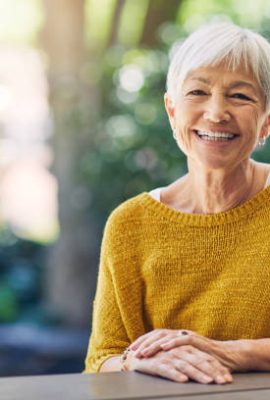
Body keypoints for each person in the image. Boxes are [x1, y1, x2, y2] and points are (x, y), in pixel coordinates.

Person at [84, 22, 270, 385]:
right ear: (172, 111)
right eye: (198, 92)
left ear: (266, 122)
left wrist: (223, 351)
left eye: (240, 96)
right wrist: (134, 362)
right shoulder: (130, 223)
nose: (216, 113)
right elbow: (101, 359)